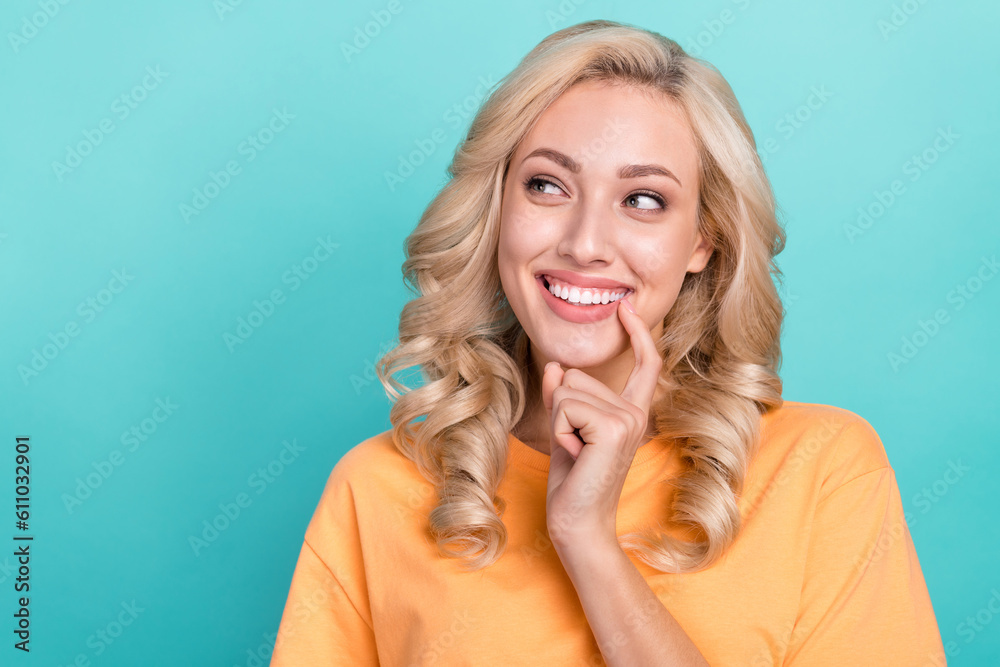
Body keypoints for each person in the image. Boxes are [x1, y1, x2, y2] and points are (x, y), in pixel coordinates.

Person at [270, 20, 945, 666]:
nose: (585, 243)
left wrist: (588, 542)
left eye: (644, 199)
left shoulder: (823, 471)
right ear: (499, 209)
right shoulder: (377, 487)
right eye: (547, 185)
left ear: (701, 241)